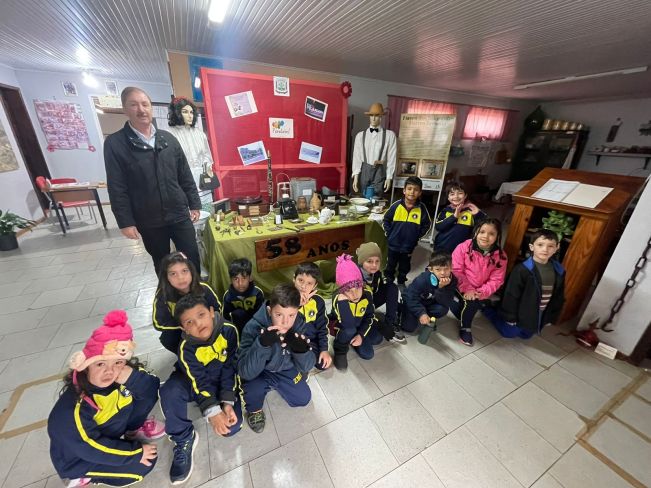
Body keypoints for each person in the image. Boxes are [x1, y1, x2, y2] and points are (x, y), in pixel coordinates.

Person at [48, 310, 164, 487]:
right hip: (78, 459)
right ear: (85, 366)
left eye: (118, 362)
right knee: (145, 463)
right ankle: (82, 477)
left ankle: (133, 430)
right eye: (100, 364)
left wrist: (132, 378)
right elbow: (90, 447)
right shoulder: (73, 409)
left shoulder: (122, 375)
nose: (110, 371)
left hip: (108, 433)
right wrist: (134, 453)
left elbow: (152, 389)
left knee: (141, 389)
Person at [104, 86, 202, 275]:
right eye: (134, 105)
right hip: (149, 218)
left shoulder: (168, 139)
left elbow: (185, 175)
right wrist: (125, 222)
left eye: (145, 104)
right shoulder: (115, 144)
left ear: (151, 107)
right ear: (125, 109)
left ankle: (196, 292)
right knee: (163, 264)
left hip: (179, 212)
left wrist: (194, 204)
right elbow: (117, 187)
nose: (141, 110)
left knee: (191, 258)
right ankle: (169, 294)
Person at [159, 294, 241, 484]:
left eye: (201, 315)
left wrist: (227, 402)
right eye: (189, 322)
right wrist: (212, 411)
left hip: (219, 381)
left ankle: (219, 404)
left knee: (231, 427)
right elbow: (198, 380)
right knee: (170, 391)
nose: (198, 324)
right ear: (183, 328)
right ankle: (184, 438)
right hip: (192, 380)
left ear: (212, 312)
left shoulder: (229, 330)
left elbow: (230, 367)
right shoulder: (185, 347)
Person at [238, 284, 315, 434]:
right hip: (260, 371)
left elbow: (307, 365)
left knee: (303, 398)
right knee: (252, 389)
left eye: (291, 315)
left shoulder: (299, 323)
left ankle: (277, 384)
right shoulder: (253, 327)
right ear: (269, 311)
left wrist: (301, 350)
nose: (285, 322)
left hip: (284, 369)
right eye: (279, 315)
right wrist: (262, 344)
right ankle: (255, 410)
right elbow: (245, 372)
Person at [485, 229, 566, 338]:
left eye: (550, 246)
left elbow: (559, 297)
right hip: (520, 311)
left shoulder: (559, 271)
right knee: (509, 333)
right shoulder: (522, 270)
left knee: (526, 336)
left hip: (537, 312)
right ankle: (489, 309)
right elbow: (511, 295)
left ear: (557, 247)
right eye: (540, 245)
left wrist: (551, 317)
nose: (545, 249)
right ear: (532, 247)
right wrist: (510, 318)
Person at [451, 218, 507, 346]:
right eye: (482, 232)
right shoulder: (463, 247)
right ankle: (466, 327)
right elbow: (456, 270)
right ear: (476, 232)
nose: (485, 236)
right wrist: (468, 289)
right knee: (470, 304)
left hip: (480, 290)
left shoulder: (501, 256)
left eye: (491, 233)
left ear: (498, 236)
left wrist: (481, 292)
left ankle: (465, 307)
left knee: (472, 303)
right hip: (461, 284)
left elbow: (497, 280)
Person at [153, 252, 221, 353]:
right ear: (166, 277)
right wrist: (186, 325)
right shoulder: (163, 295)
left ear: (191, 271)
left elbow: (218, 309)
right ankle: (186, 356)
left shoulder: (203, 288)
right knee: (167, 339)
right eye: (173, 274)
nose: (180, 277)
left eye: (184, 271)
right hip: (182, 330)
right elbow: (158, 323)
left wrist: (205, 320)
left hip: (206, 325)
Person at [331, 254, 387, 371]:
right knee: (368, 354)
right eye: (348, 290)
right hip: (345, 328)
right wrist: (343, 302)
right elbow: (347, 325)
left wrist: (361, 334)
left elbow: (369, 316)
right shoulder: (338, 299)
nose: (355, 294)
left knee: (377, 339)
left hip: (360, 326)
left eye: (357, 288)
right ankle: (340, 350)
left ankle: (357, 339)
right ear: (342, 291)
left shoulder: (367, 294)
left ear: (362, 285)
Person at [382, 176, 432, 288]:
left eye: (416, 190)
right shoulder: (396, 206)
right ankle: (388, 280)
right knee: (390, 263)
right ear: (404, 191)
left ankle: (401, 281)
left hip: (408, 245)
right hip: (393, 243)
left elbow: (427, 225)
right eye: (409, 189)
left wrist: (416, 236)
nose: (412, 192)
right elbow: (386, 219)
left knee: (404, 265)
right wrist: (389, 234)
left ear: (420, 193)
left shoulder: (422, 208)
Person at [166, 97, 216, 208]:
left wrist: (207, 170)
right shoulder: (168, 134)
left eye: (191, 112)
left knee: (207, 211)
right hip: (182, 181)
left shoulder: (200, 134)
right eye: (185, 112)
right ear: (177, 113)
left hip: (202, 181)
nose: (189, 115)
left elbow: (207, 156)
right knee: (189, 211)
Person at [402, 250, 457, 344]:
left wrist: (441, 288)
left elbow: (446, 302)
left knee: (442, 309)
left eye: (446, 269)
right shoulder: (422, 280)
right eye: (438, 269)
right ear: (431, 269)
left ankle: (425, 317)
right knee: (409, 328)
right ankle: (406, 312)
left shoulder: (452, 281)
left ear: (451, 267)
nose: (443, 273)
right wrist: (421, 313)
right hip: (414, 302)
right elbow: (409, 296)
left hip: (428, 303)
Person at [355, 242, 406, 343]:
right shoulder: (354, 278)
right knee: (376, 339)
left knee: (392, 287)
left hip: (370, 301)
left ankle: (391, 322)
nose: (374, 265)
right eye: (369, 261)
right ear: (361, 262)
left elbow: (384, 290)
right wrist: (380, 325)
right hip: (357, 310)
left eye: (377, 261)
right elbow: (356, 309)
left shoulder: (376, 273)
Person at [351, 102, 397, 196]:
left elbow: (392, 158)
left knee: (376, 198)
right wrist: (355, 176)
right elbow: (357, 157)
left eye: (376, 115)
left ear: (381, 117)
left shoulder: (390, 135)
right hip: (364, 170)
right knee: (363, 198)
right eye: (371, 115)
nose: (373, 118)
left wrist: (389, 177)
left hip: (379, 171)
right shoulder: (360, 136)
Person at [293, 262, 331, 370]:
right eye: (300, 280)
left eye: (309, 283)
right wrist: (298, 305)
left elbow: (322, 327)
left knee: (322, 364)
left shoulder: (318, 302)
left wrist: (324, 349)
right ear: (294, 279)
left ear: (315, 286)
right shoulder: (285, 299)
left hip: (311, 341)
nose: (303, 286)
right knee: (298, 366)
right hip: (293, 341)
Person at [434, 181, 487, 253]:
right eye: (452, 194)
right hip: (442, 247)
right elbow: (438, 227)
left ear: (465, 196)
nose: (456, 196)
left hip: (462, 251)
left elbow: (486, 226)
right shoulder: (445, 211)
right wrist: (454, 216)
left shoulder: (471, 211)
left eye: (460, 193)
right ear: (448, 198)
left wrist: (478, 213)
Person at [222, 258, 265, 334]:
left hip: (254, 327)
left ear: (250, 278)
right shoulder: (228, 296)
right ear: (231, 280)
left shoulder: (257, 293)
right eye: (236, 279)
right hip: (236, 329)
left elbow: (261, 315)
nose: (240, 283)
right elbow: (226, 318)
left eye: (244, 278)